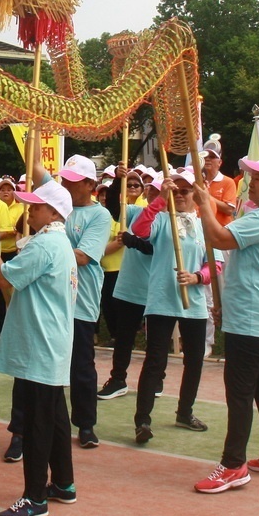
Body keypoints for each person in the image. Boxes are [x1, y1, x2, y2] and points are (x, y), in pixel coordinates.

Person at [192, 152, 259, 494]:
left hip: (253, 320)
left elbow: (220, 238)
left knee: (240, 392)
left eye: (258, 179)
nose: (250, 183)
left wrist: (204, 203)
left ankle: (234, 464)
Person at [0, 180, 78, 516]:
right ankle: (63, 483)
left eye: (35, 206)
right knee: (55, 417)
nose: (29, 210)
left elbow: (4, 278)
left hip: (41, 345)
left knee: (37, 422)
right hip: (51, 342)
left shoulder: (46, 244)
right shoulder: (58, 243)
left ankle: (35, 496)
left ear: (53, 212)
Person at [129, 170, 213, 444]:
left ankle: (185, 412)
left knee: (194, 361)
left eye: (185, 190)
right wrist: (160, 201)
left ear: (195, 194)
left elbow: (215, 263)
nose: (180, 193)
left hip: (194, 303)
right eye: (176, 189)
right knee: (155, 361)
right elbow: (139, 231)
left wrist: (197, 277)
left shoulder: (205, 225)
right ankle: (142, 420)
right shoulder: (161, 219)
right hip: (162, 300)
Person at [56, 155, 113, 448]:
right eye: (64, 179)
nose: (66, 185)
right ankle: (33, 426)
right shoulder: (57, 207)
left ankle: (86, 424)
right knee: (45, 367)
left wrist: (47, 248)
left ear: (91, 184)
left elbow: (84, 256)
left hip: (81, 302)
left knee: (81, 367)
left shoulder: (99, 216)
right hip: (51, 301)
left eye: (74, 181)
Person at [96, 170, 154, 403]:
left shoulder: (183, 221)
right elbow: (114, 206)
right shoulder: (137, 213)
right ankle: (118, 379)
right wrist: (118, 179)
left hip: (158, 288)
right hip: (131, 286)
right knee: (123, 336)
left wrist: (135, 242)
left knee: (156, 340)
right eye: (156, 192)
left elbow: (154, 248)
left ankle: (155, 379)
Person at [0, 176, 25, 339]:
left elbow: (20, 229)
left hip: (14, 253)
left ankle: (12, 325)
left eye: (9, 189)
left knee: (10, 291)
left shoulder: (22, 207)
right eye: (3, 189)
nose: (6, 192)